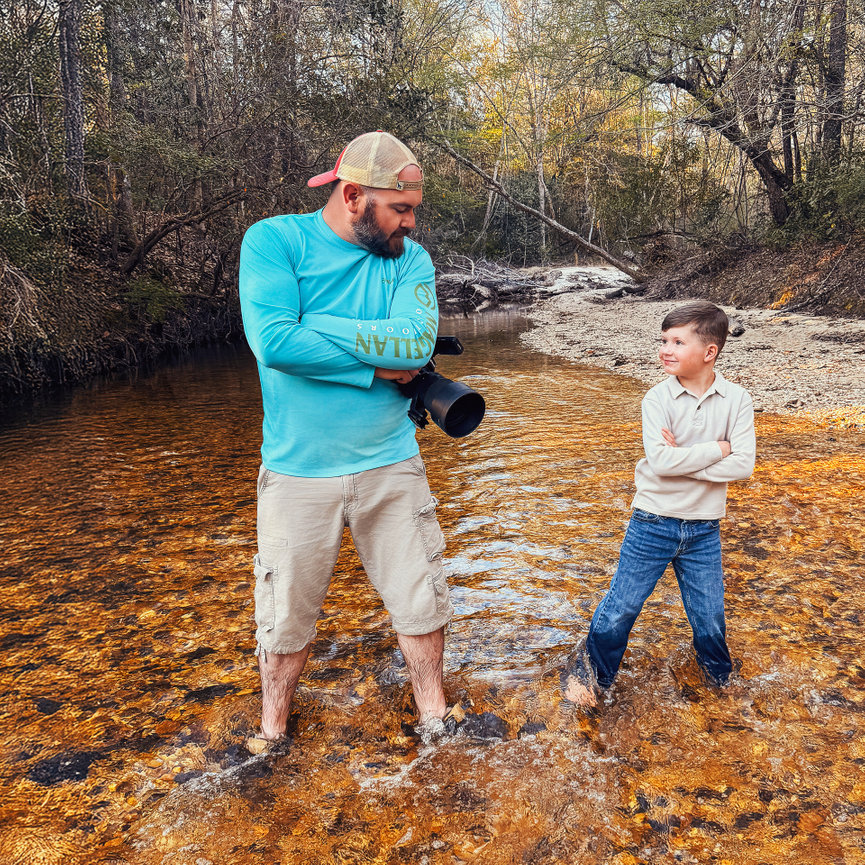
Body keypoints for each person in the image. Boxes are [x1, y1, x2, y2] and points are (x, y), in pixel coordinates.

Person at [238, 131, 454, 744]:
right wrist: (372, 366)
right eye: (401, 210)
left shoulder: (408, 259)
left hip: (392, 462)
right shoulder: (275, 241)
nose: (409, 225)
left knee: (420, 599)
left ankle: (435, 716)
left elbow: (415, 345)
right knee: (285, 616)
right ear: (354, 195)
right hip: (296, 471)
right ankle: (272, 731)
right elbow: (273, 343)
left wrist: (318, 327)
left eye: (413, 210)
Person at [563, 301, 756, 707]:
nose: (666, 349)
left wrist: (685, 458)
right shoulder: (656, 399)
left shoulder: (737, 399)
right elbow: (663, 462)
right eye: (663, 340)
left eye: (678, 341)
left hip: (704, 526)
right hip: (653, 522)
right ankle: (592, 679)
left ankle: (719, 685)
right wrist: (716, 449)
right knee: (622, 608)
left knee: (709, 618)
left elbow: (743, 465)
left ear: (709, 352)